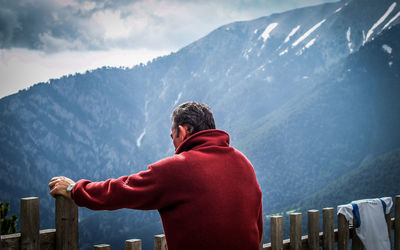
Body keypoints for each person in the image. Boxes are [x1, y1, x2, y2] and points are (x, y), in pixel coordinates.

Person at [49, 101, 263, 250]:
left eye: (173, 137)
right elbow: (257, 224)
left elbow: (121, 190)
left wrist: (74, 189)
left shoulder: (179, 168)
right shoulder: (243, 162)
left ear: (183, 131)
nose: (173, 145)